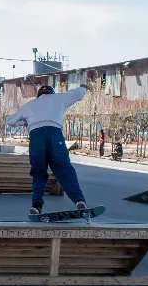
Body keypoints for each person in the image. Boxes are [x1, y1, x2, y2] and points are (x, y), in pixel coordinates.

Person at [6, 84, 90, 215]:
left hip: (36, 138)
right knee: (64, 169)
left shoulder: (30, 105)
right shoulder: (59, 98)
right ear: (51, 93)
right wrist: (83, 88)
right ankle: (79, 200)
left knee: (39, 173)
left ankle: (36, 205)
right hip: (55, 135)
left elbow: (10, 121)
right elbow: (77, 94)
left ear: (39, 94)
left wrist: (23, 123)